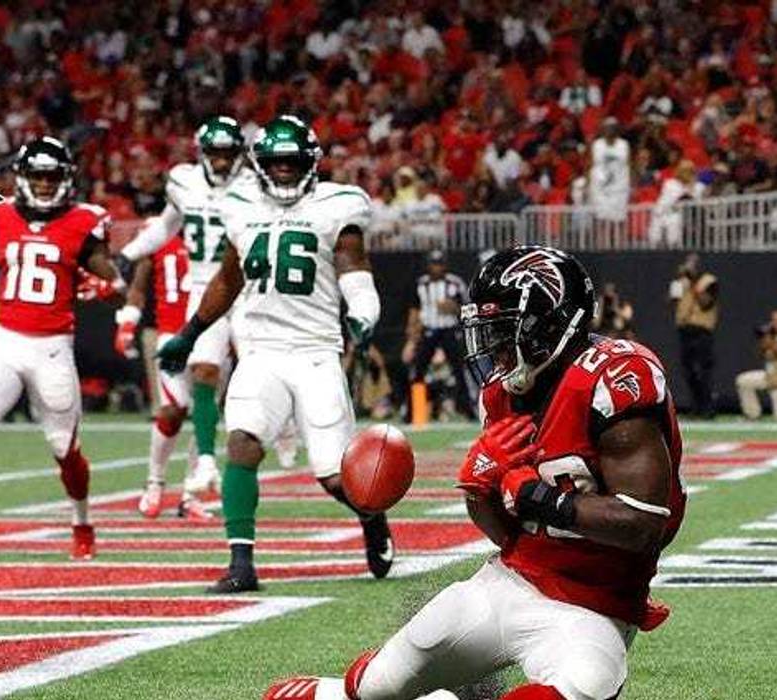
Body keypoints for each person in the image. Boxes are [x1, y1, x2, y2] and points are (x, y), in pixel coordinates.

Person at [265, 246, 686, 700]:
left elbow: (644, 524)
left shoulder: (613, 376)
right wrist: (479, 488)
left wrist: (535, 497)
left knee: (583, 687)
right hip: (511, 580)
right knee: (380, 683)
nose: (495, 349)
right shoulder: (503, 393)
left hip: (596, 608)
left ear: (547, 325)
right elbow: (506, 536)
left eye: (505, 331)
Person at [157, 115, 391, 593]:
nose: (284, 171)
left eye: (292, 163)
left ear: (310, 164)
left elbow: (355, 270)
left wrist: (364, 313)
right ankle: (241, 563)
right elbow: (228, 279)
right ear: (260, 165)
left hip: (315, 353)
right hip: (260, 352)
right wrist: (190, 332)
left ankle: (371, 517)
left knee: (332, 475)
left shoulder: (335, 206)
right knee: (242, 445)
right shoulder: (241, 207)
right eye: (275, 163)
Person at [0, 136, 123, 567]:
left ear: (65, 178)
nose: (45, 184)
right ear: (23, 177)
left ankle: (82, 522)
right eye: (38, 176)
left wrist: (109, 288)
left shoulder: (86, 222)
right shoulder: (2, 215)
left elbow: (115, 286)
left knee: (63, 447)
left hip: (52, 348)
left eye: (52, 176)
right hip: (5, 341)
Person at [117, 116, 255, 501]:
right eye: (216, 153)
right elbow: (167, 225)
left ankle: (287, 427)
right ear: (203, 153)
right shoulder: (183, 180)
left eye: (229, 153)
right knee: (205, 370)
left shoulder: (254, 185)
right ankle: (207, 460)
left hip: (247, 289)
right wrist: (131, 252)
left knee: (259, 366)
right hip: (205, 287)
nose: (223, 161)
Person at [114, 236, 210, 522]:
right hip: (171, 334)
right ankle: (154, 482)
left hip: (211, 336)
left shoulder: (225, 222)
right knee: (172, 408)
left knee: (206, 414)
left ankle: (191, 495)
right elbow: (139, 286)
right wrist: (128, 322)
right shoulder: (157, 233)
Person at [407, 250, 473, 420]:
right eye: (433, 264)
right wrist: (412, 337)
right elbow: (414, 310)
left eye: (440, 264)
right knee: (418, 371)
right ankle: (415, 412)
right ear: (428, 265)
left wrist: (453, 308)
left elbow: (466, 309)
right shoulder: (421, 284)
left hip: (449, 330)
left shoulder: (455, 283)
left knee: (459, 371)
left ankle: (467, 409)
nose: (437, 268)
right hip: (428, 330)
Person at [668, 253, 718, 417]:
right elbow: (672, 301)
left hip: (702, 330)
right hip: (685, 330)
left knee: (703, 371)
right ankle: (696, 406)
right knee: (688, 371)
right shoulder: (682, 282)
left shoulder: (709, 281)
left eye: (693, 264)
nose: (689, 267)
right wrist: (677, 285)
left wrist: (693, 282)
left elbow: (705, 303)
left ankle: (708, 408)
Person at [588, 117, 631, 239]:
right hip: (600, 187)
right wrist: (588, 184)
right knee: (601, 218)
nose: (610, 130)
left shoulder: (624, 145)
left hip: (619, 187)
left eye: (613, 128)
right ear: (602, 129)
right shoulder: (597, 145)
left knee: (619, 219)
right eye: (607, 128)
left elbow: (629, 165)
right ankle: (601, 246)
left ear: (617, 129)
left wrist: (631, 185)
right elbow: (590, 164)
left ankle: (620, 246)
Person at [735, 311, 777, 420]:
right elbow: (766, 356)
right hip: (770, 376)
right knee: (743, 381)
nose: (773, 323)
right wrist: (766, 344)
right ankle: (753, 414)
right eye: (773, 320)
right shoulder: (770, 336)